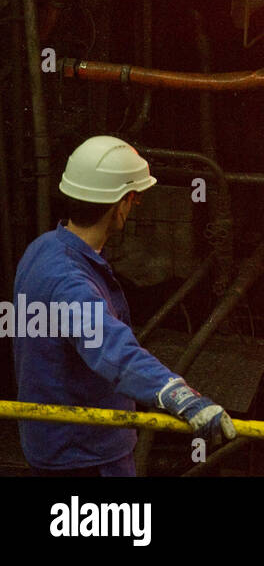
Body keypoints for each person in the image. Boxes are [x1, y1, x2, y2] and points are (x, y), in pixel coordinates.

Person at [12, 135, 236, 476]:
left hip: (51, 439)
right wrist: (181, 397)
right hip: (85, 453)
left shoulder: (42, 249)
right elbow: (114, 351)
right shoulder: (70, 282)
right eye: (135, 199)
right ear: (122, 203)